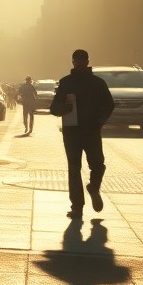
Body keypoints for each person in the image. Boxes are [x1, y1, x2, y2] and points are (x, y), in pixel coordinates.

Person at [49, 49, 115, 220]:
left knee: (98, 165)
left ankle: (93, 187)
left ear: (86, 62)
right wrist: (65, 108)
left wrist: (100, 121)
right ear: (73, 62)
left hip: (91, 130)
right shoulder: (66, 83)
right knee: (74, 168)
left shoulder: (97, 83)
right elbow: (54, 108)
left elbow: (109, 104)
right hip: (72, 132)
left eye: (81, 61)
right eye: (76, 61)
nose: (78, 64)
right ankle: (77, 207)